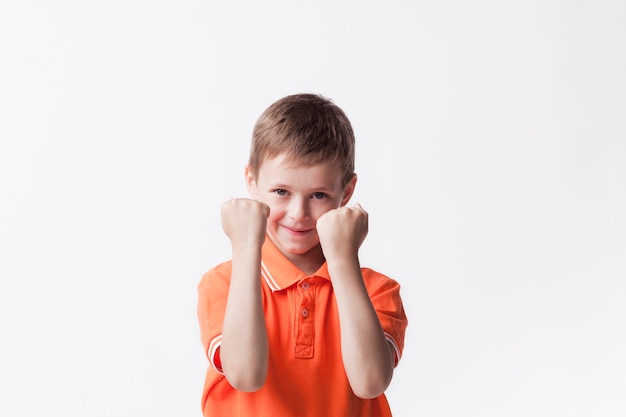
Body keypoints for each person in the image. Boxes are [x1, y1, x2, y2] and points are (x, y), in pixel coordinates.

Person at [197, 93, 408, 417]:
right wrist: (245, 247)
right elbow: (245, 376)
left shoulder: (377, 289)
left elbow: (370, 382)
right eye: (281, 192)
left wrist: (341, 259)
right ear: (252, 181)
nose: (299, 213)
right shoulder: (223, 283)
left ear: (346, 192)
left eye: (319, 195)